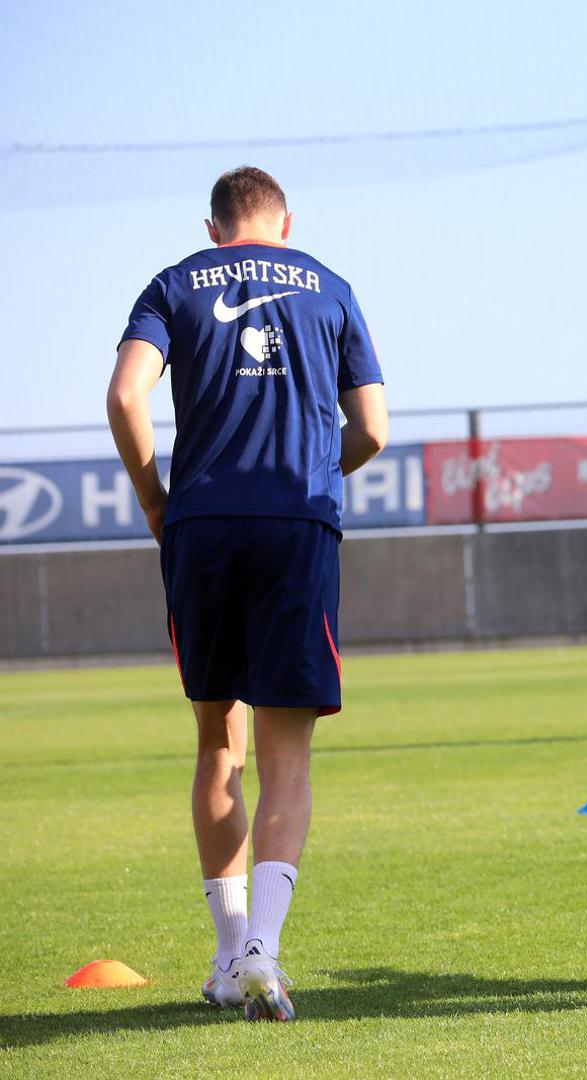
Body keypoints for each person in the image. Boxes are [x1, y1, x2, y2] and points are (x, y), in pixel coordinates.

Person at [107, 167, 388, 1021]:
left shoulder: (172, 281)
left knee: (216, 745)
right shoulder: (330, 287)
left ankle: (228, 956)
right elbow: (372, 426)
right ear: (286, 224)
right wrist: (315, 476)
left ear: (213, 225)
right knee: (286, 751)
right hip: (295, 528)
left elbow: (125, 395)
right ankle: (264, 946)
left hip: (200, 525)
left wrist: (158, 498)